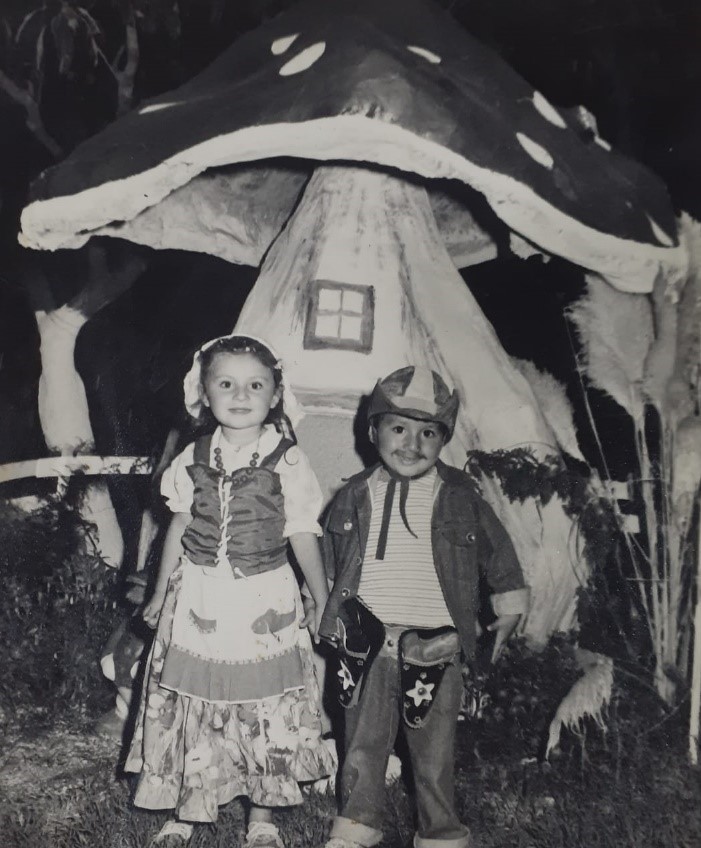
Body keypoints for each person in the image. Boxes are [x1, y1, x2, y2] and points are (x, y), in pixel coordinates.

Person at [125, 334, 335, 848]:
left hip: (263, 599)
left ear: (275, 394)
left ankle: (262, 815)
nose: (240, 395)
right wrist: (158, 594)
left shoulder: (288, 461)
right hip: (199, 594)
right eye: (226, 383)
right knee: (193, 698)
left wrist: (322, 597)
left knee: (263, 706)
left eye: (255, 384)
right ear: (204, 392)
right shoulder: (191, 457)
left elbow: (303, 531)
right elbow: (177, 527)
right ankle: (188, 808)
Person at [318, 365, 530, 848]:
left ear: (443, 440)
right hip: (363, 640)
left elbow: (497, 552)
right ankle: (356, 825)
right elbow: (332, 563)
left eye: (428, 432)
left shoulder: (460, 495)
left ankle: (441, 833)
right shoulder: (353, 494)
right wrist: (321, 606)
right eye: (398, 428)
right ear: (373, 432)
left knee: (433, 754)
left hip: (435, 644)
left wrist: (509, 602)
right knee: (360, 745)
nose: (411, 444)